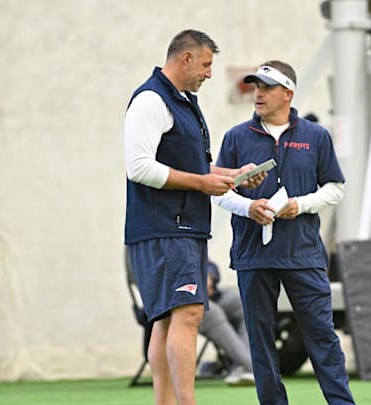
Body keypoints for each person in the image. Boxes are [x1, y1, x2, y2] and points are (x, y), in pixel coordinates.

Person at [123, 30, 263, 405]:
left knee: (169, 320)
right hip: (164, 229)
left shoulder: (183, 101)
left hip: (180, 229)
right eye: (205, 65)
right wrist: (202, 182)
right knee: (188, 314)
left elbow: (194, 168)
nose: (209, 73)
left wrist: (231, 175)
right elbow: (139, 167)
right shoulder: (151, 100)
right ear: (185, 59)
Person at [213, 60, 355, 404]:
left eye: (266, 87)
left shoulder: (316, 136)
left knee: (322, 336)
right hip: (252, 255)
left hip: (303, 253)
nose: (258, 94)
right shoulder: (235, 137)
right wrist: (249, 207)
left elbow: (335, 188)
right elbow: (219, 191)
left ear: (287, 94)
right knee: (260, 342)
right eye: (255, 87)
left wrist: (299, 205)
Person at [197, 260, 254, 386]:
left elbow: (210, 264)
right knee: (212, 311)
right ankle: (253, 366)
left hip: (212, 297)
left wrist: (209, 275)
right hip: (183, 301)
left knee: (241, 302)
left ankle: (243, 367)